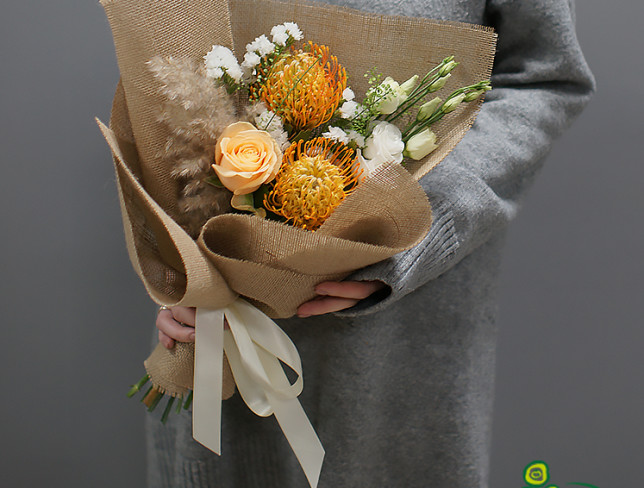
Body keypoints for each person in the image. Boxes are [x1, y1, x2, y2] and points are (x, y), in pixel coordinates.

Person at [149, 0, 595, 486]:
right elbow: (171, 57)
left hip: (400, 331)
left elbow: (544, 77)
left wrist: (414, 222)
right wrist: (174, 264)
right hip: (217, 297)